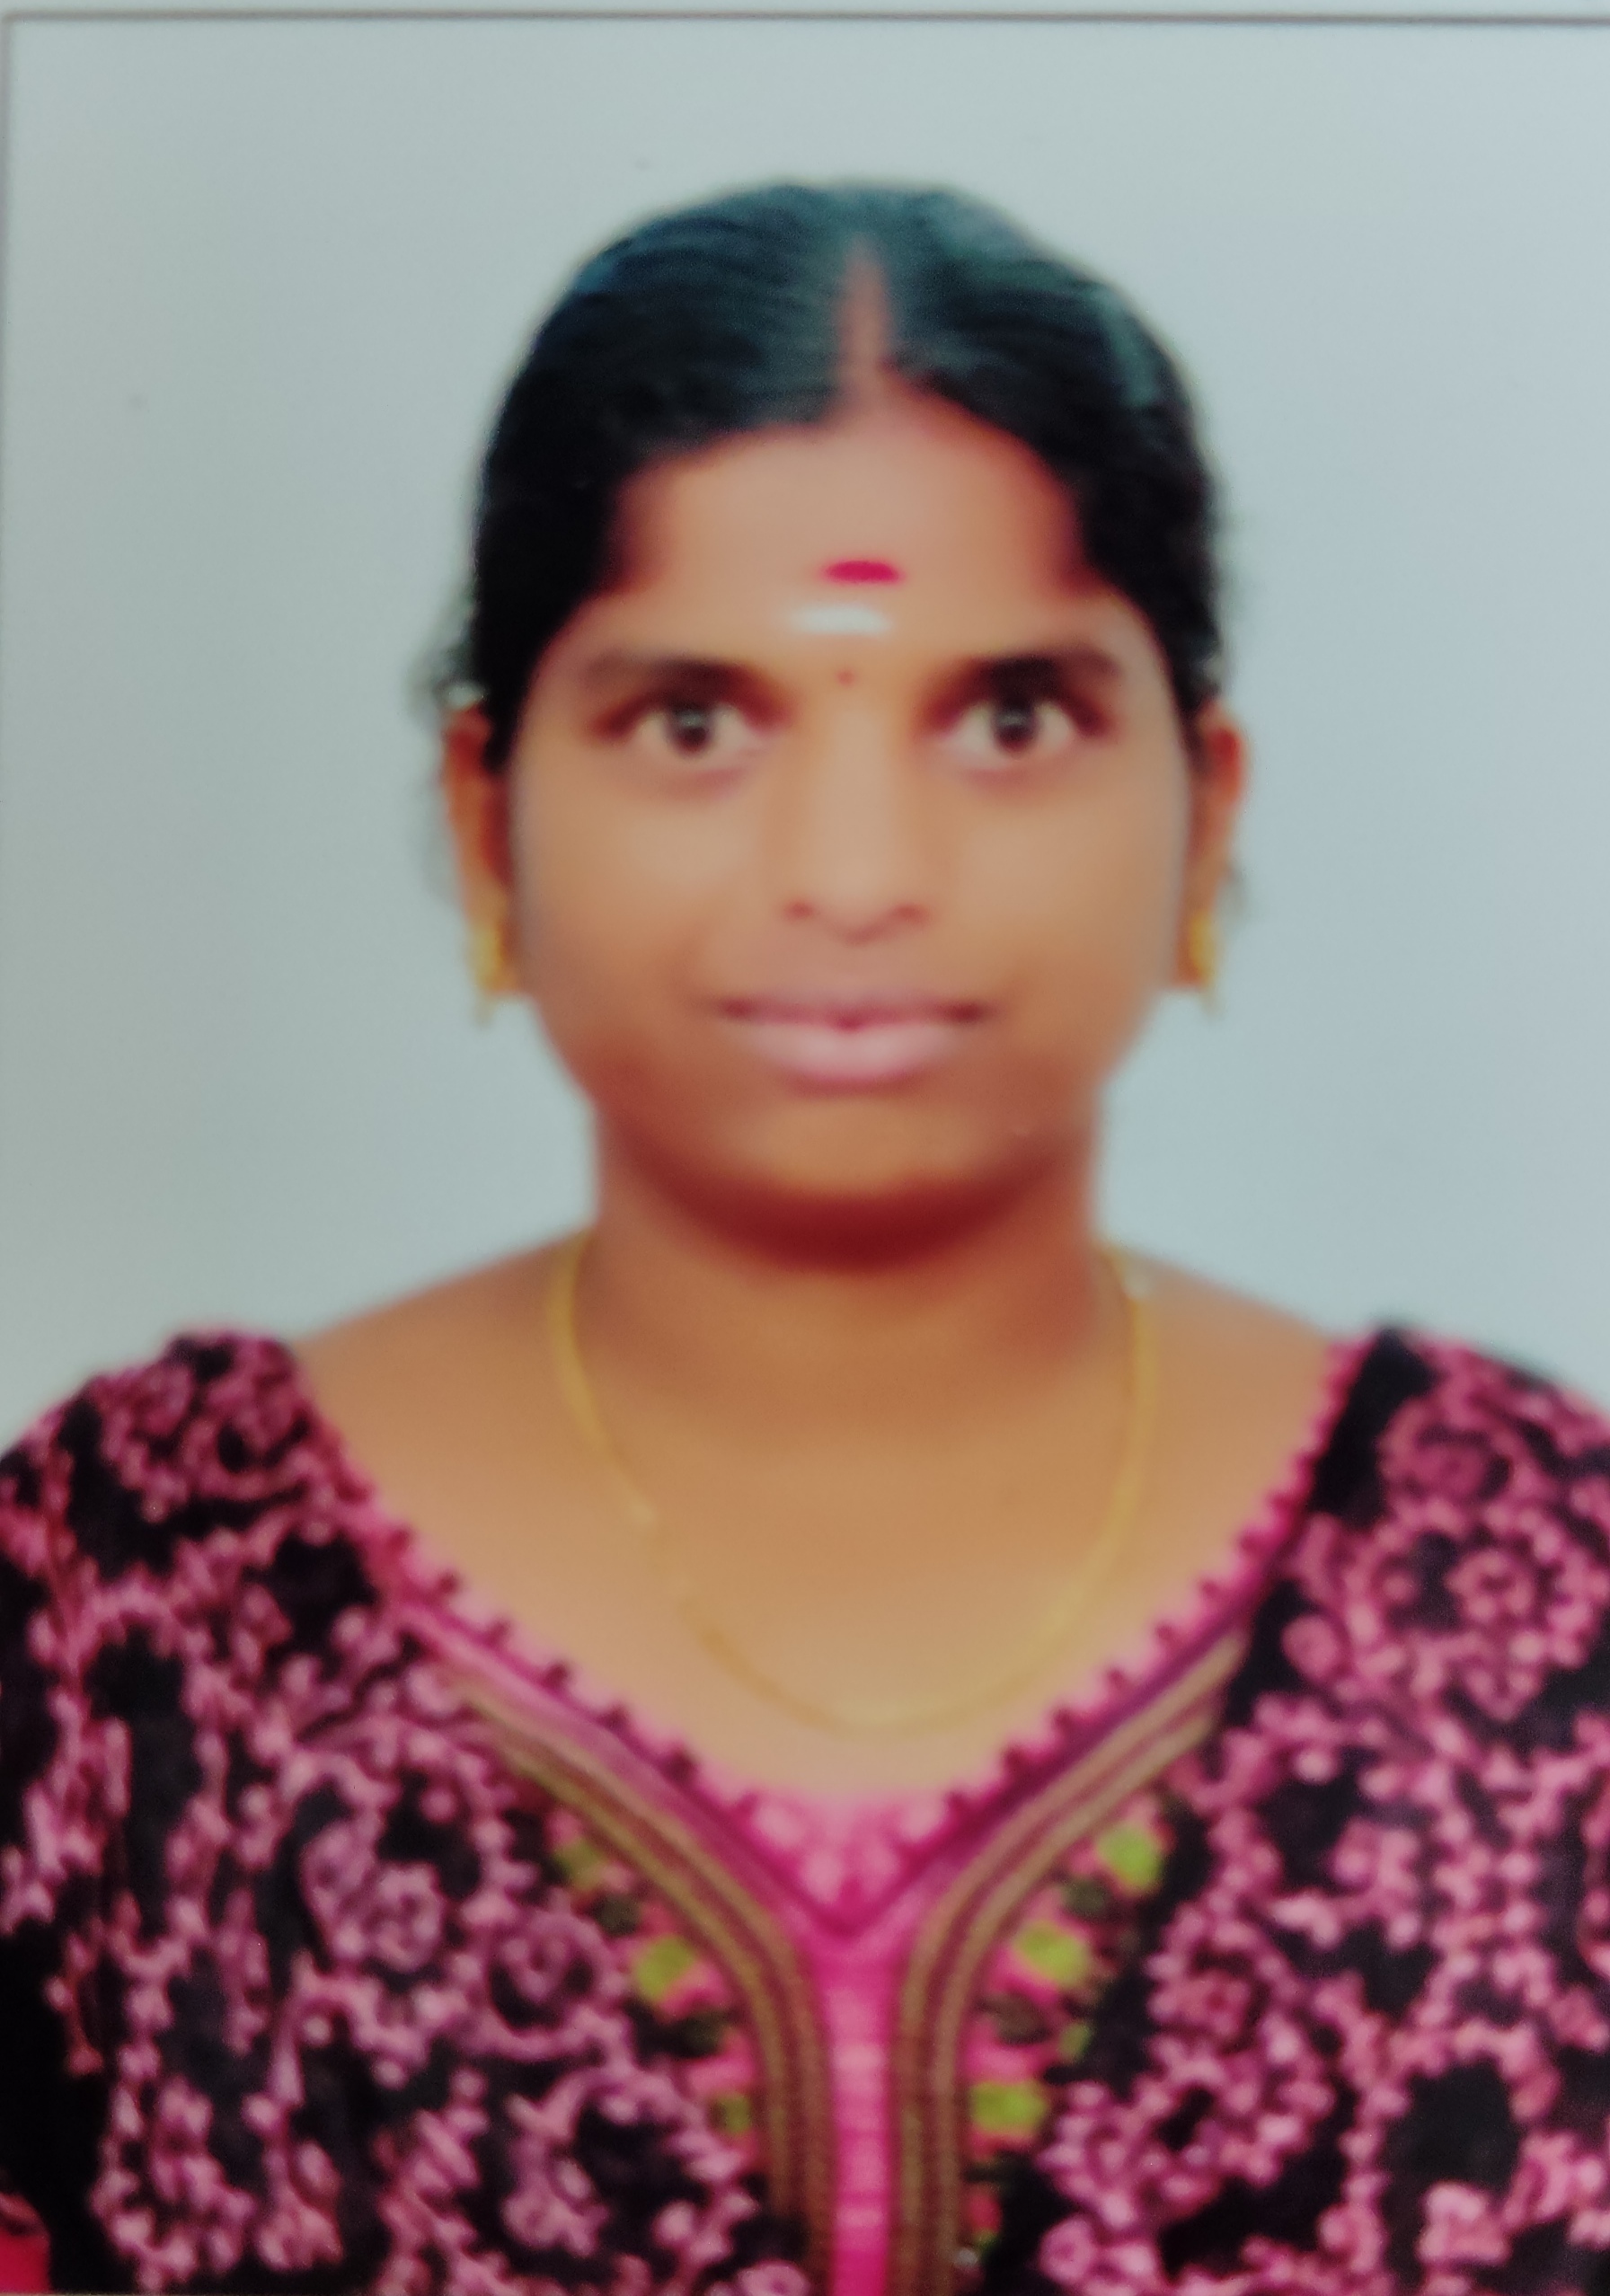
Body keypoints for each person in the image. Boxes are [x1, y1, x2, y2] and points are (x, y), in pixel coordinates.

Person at [2, 180, 1607, 2296]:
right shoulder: (129, 1605)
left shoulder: (1536, 1601)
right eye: (695, 720)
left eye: (1007, 717)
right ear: (488, 821)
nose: (853, 874)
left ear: (1202, 811)